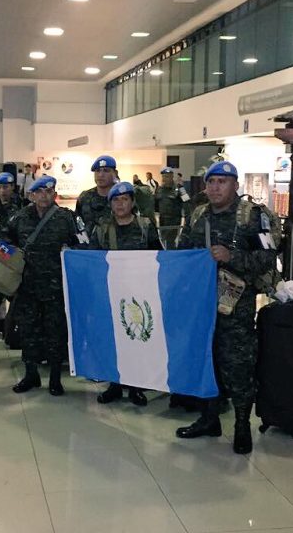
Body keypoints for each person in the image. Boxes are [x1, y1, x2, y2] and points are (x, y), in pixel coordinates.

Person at [176, 161, 278, 454]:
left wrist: (232, 256)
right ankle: (209, 418)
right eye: (211, 182)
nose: (215, 188)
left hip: (236, 307)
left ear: (235, 185)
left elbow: (268, 256)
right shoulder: (197, 215)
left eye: (222, 182)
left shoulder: (252, 216)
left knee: (238, 365)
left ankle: (242, 424)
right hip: (201, 303)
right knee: (205, 361)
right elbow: (183, 252)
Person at [89, 180, 162, 407]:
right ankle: (114, 384)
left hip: (139, 295)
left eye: (125, 199)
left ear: (132, 202)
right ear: (110, 204)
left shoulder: (145, 226)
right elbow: (92, 260)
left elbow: (159, 257)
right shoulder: (102, 229)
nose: (120, 204)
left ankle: (136, 385)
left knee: (137, 338)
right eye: (116, 200)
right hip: (111, 293)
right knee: (113, 340)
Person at [3, 176, 78, 396]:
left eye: (49, 191)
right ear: (31, 195)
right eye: (39, 192)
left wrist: (71, 251)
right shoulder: (19, 218)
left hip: (56, 287)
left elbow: (82, 242)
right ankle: (31, 375)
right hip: (27, 287)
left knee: (55, 331)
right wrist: (13, 260)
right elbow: (2, 243)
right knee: (28, 331)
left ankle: (55, 378)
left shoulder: (66, 218)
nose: (44, 196)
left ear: (54, 194)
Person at [75, 154, 118, 235]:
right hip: (89, 242)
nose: (100, 175)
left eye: (106, 170)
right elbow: (77, 224)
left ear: (115, 173)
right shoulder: (84, 197)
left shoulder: (122, 197)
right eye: (98, 171)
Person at [155, 166, 191, 246]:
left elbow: (187, 203)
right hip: (162, 220)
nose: (164, 179)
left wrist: (187, 220)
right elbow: (156, 205)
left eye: (167, 177)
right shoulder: (159, 189)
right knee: (162, 241)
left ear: (172, 177)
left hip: (174, 221)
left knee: (170, 242)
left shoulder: (180, 189)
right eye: (163, 177)